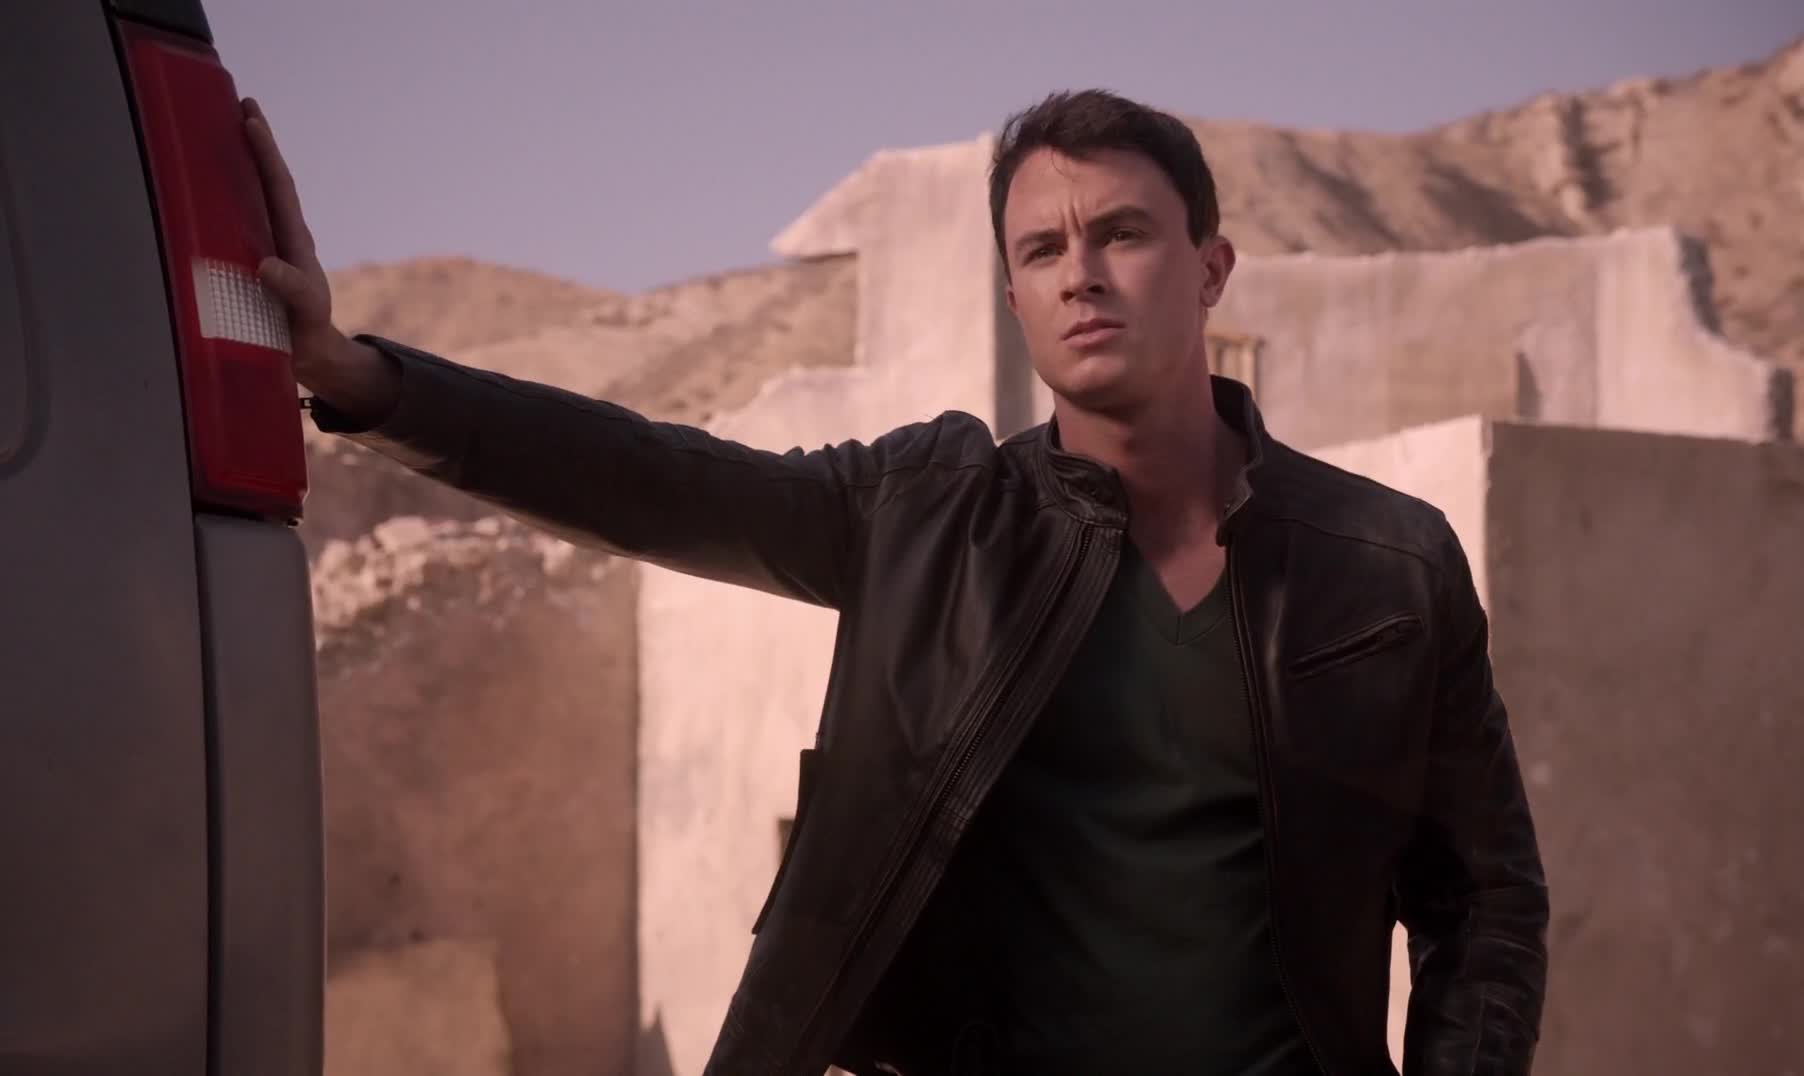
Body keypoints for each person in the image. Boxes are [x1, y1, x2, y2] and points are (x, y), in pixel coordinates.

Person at [244, 88, 1547, 1076]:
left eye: (1123, 234)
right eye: (1042, 251)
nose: (1082, 273)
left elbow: (1482, 897)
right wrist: (358, 376)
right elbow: (654, 478)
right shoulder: (928, 516)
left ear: (1211, 269)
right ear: (1016, 297)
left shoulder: (1386, 563)